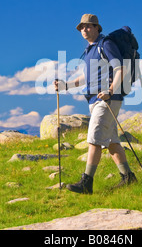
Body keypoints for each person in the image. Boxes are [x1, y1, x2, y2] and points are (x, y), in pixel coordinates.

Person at [54, 14, 137, 194]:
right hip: (94, 100)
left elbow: (119, 68)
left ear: (97, 27)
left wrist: (111, 91)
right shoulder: (88, 52)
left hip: (107, 99)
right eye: (82, 27)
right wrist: (65, 85)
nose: (85, 29)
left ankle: (87, 182)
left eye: (89, 26)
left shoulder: (105, 44)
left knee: (94, 139)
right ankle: (129, 177)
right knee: (112, 142)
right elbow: (85, 77)